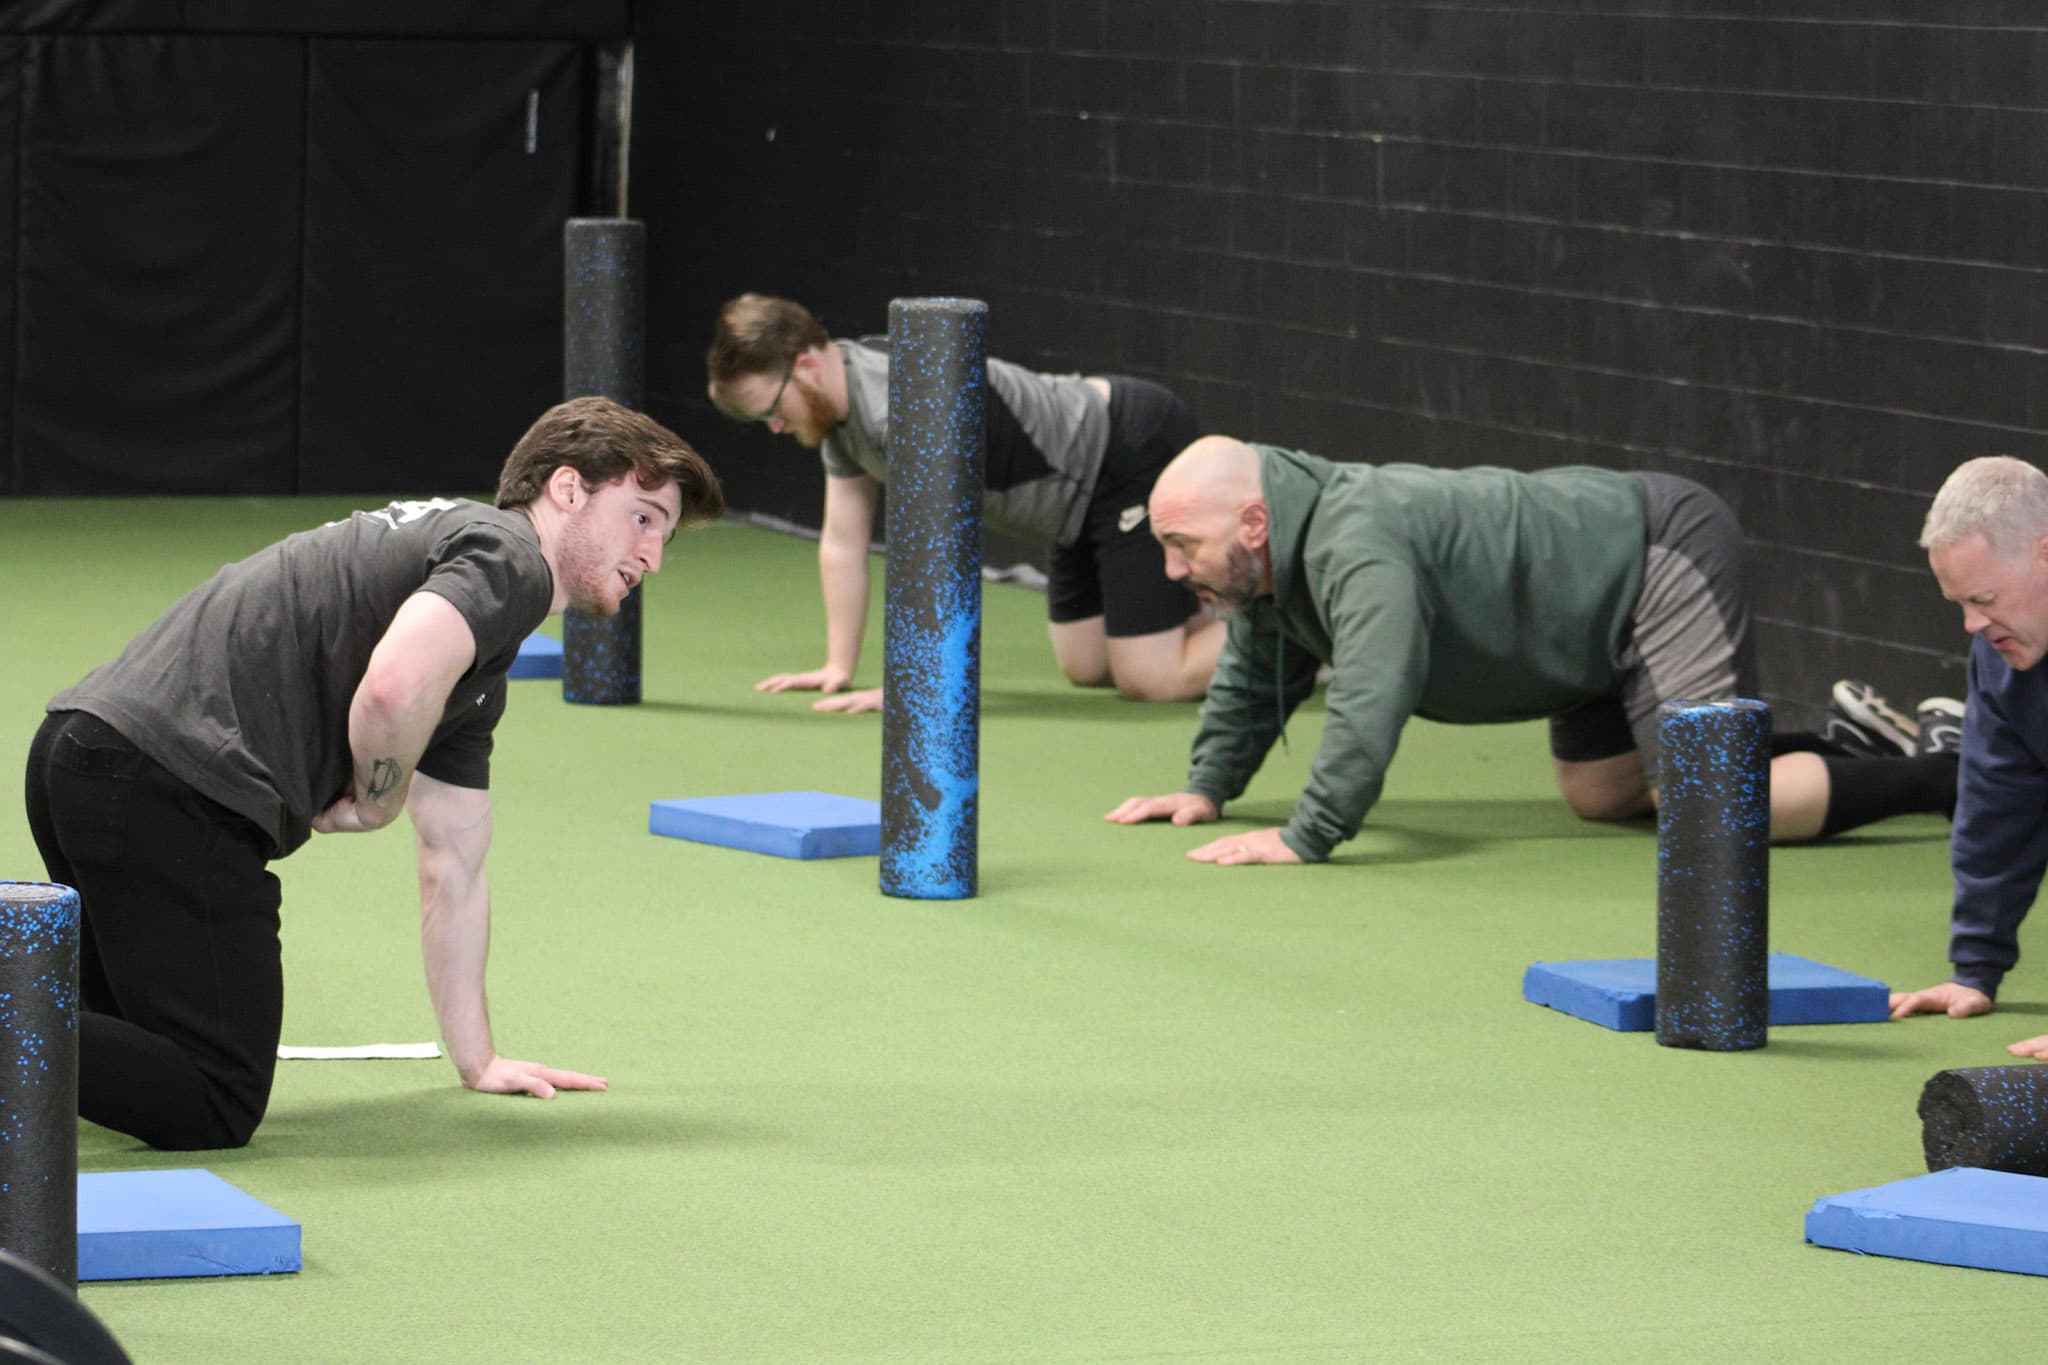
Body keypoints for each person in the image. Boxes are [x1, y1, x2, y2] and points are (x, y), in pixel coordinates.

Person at [22, 396, 724, 1149]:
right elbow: (393, 685)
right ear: (566, 488)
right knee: (213, 1094)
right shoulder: (507, 557)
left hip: (80, 756)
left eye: (666, 535)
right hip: (168, 789)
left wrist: (478, 1056)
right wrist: (378, 799)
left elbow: (452, 864)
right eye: (643, 517)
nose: (652, 554)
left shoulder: (476, 659)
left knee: (111, 1047)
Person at [1105, 436, 1958, 866]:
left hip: (1654, 557)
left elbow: (1373, 686)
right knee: (1601, 795)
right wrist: (1207, 786)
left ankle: (1952, 771)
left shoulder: (1355, 539)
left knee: (1704, 807)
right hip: (1584, 629)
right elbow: (1259, 669)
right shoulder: (1272, 567)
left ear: (1253, 523)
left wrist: (1308, 834)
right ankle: (1856, 752)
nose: (1176, 570)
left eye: (1184, 544)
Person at [704, 293, 1222, 712]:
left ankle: (1281, 637)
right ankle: (1211, 629)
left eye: (771, 409)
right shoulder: (839, 411)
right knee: (1087, 668)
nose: (773, 428)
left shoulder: (897, 408)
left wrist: (921, 685)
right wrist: (838, 666)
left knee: (1149, 678)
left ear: (808, 365)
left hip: (1125, 453)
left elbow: (940, 556)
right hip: (1073, 508)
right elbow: (843, 540)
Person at [1888, 456, 2048, 1059]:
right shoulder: (2001, 656)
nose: (1972, 623)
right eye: (1958, 602)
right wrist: (1974, 968)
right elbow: (1996, 808)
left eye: (1984, 597)